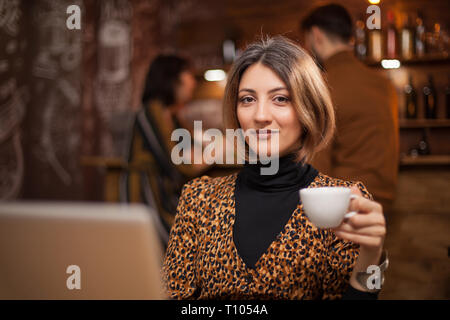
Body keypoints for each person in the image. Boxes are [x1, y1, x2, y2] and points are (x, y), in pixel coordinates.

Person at [163, 36, 388, 299]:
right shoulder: (198, 199)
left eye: (280, 99)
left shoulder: (341, 201)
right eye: (247, 99)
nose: (260, 115)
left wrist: (373, 257)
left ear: (309, 109)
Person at [301, 4, 399, 214]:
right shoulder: (384, 84)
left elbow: (317, 163)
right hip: (385, 204)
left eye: (307, 41)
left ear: (316, 35)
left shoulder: (324, 86)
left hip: (344, 204)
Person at [122, 55, 211, 244]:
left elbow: (193, 151)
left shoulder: (172, 115)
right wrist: (209, 155)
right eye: (189, 75)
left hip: (166, 195)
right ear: (172, 79)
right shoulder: (150, 113)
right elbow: (176, 163)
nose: (193, 83)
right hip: (146, 199)